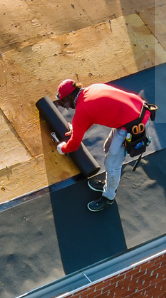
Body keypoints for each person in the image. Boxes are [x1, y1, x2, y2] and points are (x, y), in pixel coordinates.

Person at [54, 79, 151, 213]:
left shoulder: (83, 110)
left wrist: (62, 148)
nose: (67, 107)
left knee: (112, 164)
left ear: (69, 98)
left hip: (134, 125)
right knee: (108, 147)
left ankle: (108, 197)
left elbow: (74, 144)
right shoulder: (92, 88)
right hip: (139, 110)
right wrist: (77, 128)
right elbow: (90, 117)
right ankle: (110, 182)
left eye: (64, 103)